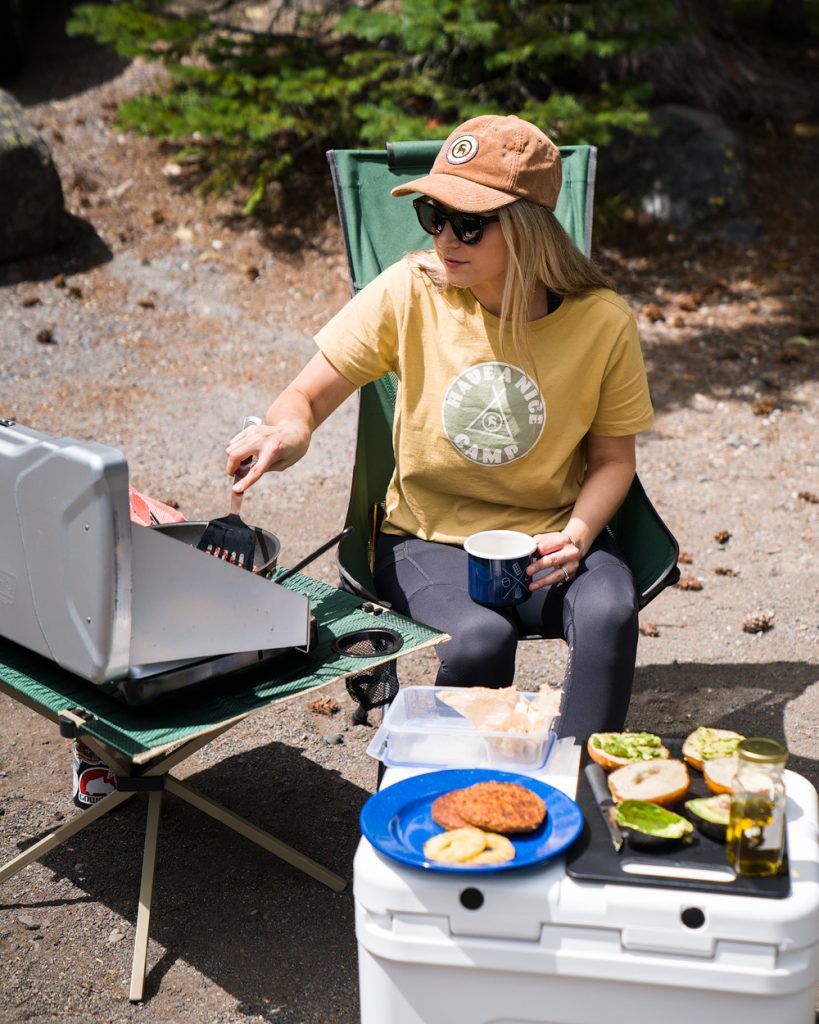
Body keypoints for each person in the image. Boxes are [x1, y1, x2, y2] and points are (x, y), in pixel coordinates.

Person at [225, 114, 654, 740]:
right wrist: (285, 433)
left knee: (610, 611)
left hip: (546, 540)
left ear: (530, 230)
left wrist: (579, 534)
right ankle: (445, 800)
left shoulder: (603, 323)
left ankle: (574, 787)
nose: (445, 238)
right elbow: (305, 397)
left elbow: (615, 459)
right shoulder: (411, 291)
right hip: (427, 538)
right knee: (482, 639)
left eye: (470, 223)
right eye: (435, 215)